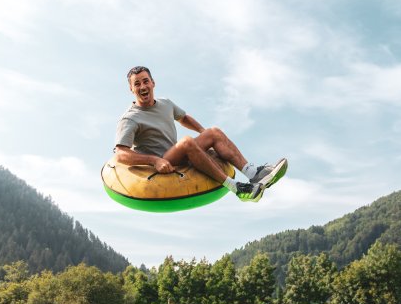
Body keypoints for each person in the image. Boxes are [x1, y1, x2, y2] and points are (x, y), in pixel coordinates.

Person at [114, 66, 287, 202]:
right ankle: (238, 189)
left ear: (153, 83)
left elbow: (183, 118)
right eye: (137, 84)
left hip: (175, 154)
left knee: (214, 132)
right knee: (187, 142)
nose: (142, 87)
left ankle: (253, 173)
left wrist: (205, 135)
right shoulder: (130, 118)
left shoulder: (165, 103)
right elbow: (121, 154)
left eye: (145, 81)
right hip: (160, 163)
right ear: (131, 89)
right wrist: (154, 160)